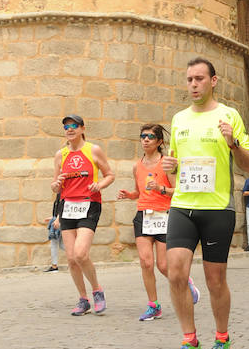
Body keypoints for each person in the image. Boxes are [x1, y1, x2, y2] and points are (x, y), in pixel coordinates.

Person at [162, 58, 249, 349]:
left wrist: (233, 143)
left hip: (217, 209)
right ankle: (190, 343)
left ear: (213, 81)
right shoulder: (178, 119)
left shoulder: (229, 116)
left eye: (199, 78)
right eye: (189, 79)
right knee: (175, 272)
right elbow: (174, 164)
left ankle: (222, 338)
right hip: (183, 205)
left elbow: (248, 163)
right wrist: (169, 169)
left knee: (215, 281)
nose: (193, 84)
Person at [117, 123, 200, 321]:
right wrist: (130, 195)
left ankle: (185, 281)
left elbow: (179, 190)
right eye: (143, 136)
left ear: (159, 141)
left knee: (163, 265)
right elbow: (140, 191)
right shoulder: (137, 165)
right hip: (144, 215)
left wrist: (161, 189)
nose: (145, 139)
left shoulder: (166, 164)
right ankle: (153, 305)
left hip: (164, 215)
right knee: (146, 262)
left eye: (150, 137)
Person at [51, 114, 114, 316]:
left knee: (80, 253)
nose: (70, 129)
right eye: (66, 126)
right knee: (70, 259)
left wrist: (99, 185)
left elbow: (110, 174)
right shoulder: (60, 155)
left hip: (89, 204)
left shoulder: (93, 150)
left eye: (74, 126)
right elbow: (54, 186)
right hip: (67, 205)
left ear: (82, 128)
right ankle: (83, 299)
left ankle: (97, 290)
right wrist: (56, 184)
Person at [44, 193, 63, 272]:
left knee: (57, 244)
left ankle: (54, 266)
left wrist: (57, 220)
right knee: (60, 244)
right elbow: (58, 209)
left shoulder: (63, 193)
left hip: (60, 221)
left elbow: (63, 207)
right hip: (58, 220)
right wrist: (53, 218)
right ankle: (54, 266)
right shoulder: (59, 194)